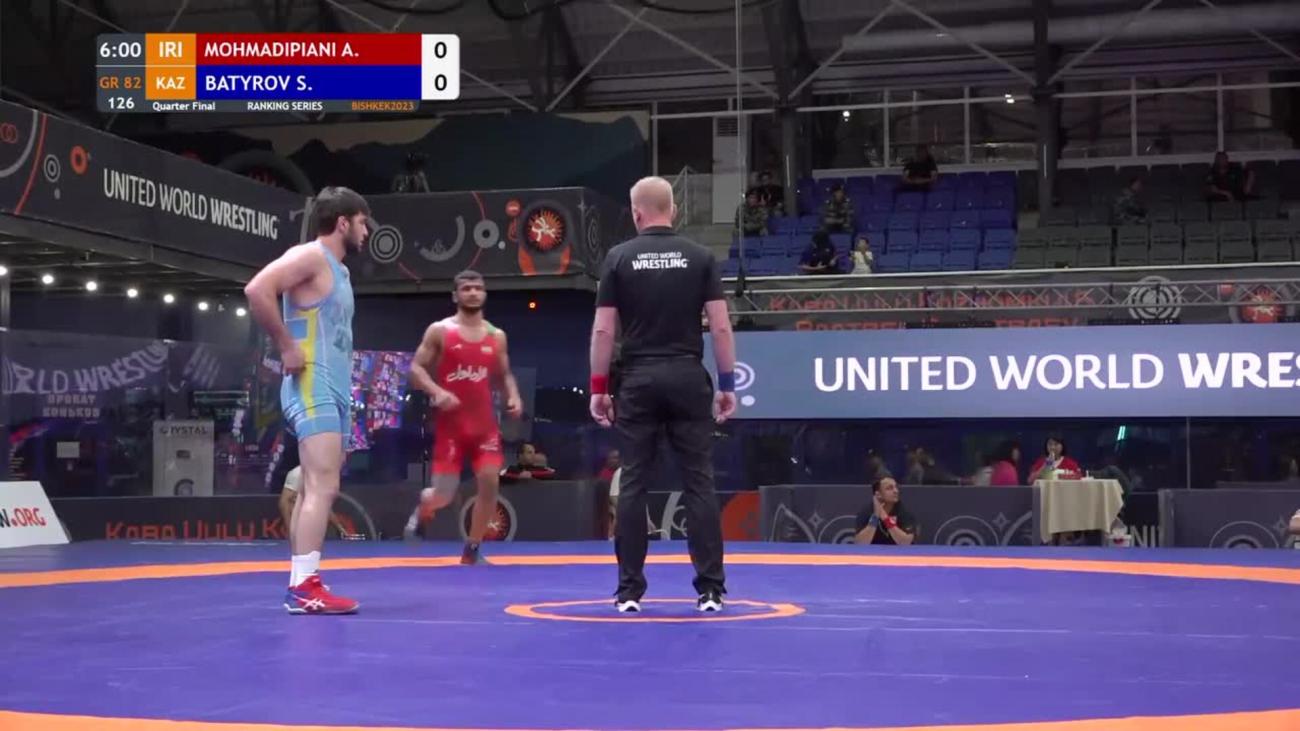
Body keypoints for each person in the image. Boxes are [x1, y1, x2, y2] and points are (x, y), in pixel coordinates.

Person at [588, 176, 737, 614]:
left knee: (634, 482)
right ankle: (710, 590)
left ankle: (628, 592)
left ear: (636, 214)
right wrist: (727, 385)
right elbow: (721, 327)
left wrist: (599, 388)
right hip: (687, 376)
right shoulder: (701, 257)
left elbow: (603, 330)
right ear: (674, 210)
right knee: (699, 482)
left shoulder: (618, 258)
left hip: (638, 379)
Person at [243, 186, 369, 615]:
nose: (366, 231)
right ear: (343, 222)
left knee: (317, 485)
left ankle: (302, 580)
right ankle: (304, 588)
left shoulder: (339, 271)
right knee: (322, 484)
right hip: (311, 382)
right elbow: (257, 289)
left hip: (332, 386)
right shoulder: (311, 256)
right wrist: (285, 345)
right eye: (363, 222)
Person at [403, 270, 523, 563]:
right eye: (466, 288)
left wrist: (514, 395)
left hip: (484, 427)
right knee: (443, 495)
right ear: (455, 295)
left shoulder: (496, 336)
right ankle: (425, 507)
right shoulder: (440, 331)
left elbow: (504, 373)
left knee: (490, 483)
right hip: (451, 427)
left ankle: (472, 549)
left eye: (478, 288)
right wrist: (436, 391)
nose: (472, 293)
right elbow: (416, 369)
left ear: (484, 294)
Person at [854, 476, 916, 546]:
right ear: (878, 494)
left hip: (898, 552)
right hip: (873, 552)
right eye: (889, 488)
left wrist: (885, 517)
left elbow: (905, 542)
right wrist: (875, 517)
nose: (896, 491)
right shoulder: (866, 512)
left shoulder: (904, 512)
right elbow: (860, 543)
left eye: (896, 487)